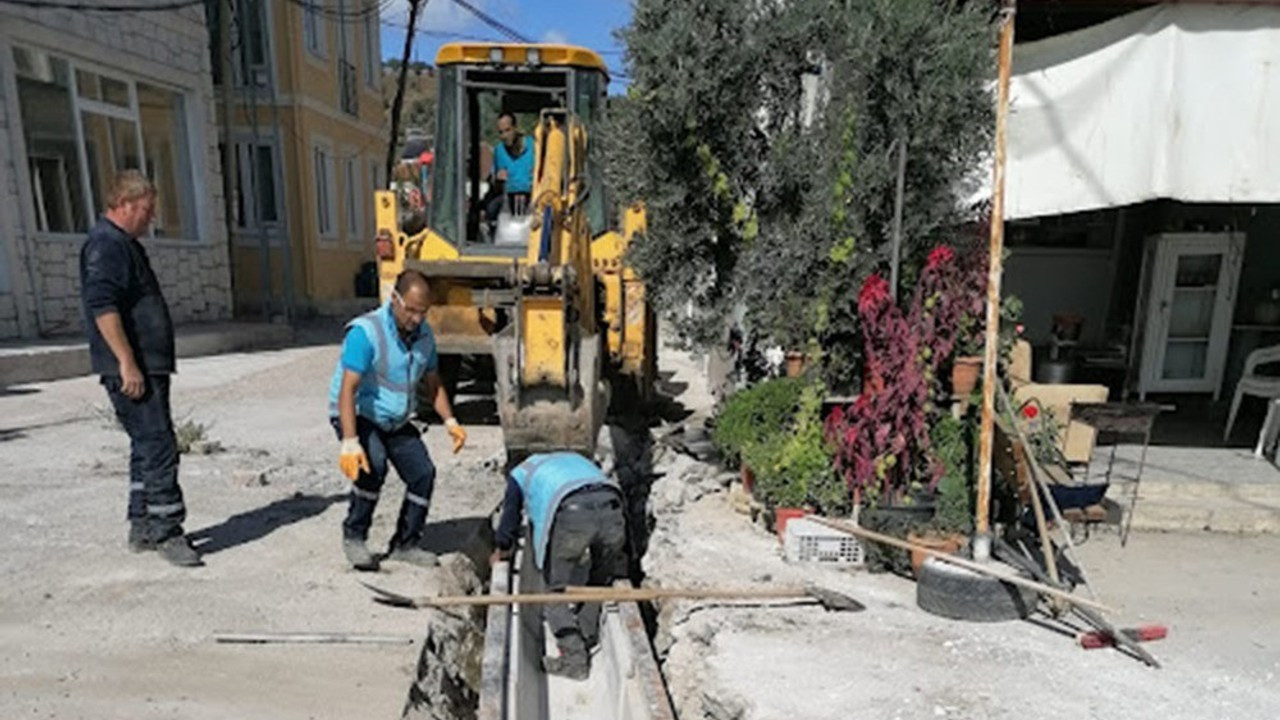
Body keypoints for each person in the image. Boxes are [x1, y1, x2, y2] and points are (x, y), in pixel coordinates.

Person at [79, 170, 201, 567]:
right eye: (146, 211)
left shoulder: (123, 244)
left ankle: (142, 524)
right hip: (135, 369)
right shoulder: (106, 246)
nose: (151, 220)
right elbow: (103, 307)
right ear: (126, 204)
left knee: (144, 446)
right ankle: (167, 531)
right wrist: (127, 363)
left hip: (147, 366)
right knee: (159, 446)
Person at [328, 269, 467, 571]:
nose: (416, 318)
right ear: (395, 299)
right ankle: (354, 536)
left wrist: (451, 421)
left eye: (423, 312)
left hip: (396, 418)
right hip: (359, 414)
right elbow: (347, 390)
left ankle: (405, 544)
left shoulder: (424, 336)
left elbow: (434, 383)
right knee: (372, 465)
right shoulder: (366, 333)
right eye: (411, 311)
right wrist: (350, 441)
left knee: (423, 473)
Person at [492, 452, 629, 680]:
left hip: (573, 517)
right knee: (598, 582)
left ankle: (574, 660)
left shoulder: (520, 474)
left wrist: (501, 549)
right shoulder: (574, 460)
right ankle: (585, 635)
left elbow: (510, 519)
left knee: (555, 591)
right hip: (613, 511)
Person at [485, 112, 536, 233]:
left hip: (532, 197)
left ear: (515, 128)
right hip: (508, 199)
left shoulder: (534, 145)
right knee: (491, 209)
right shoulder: (499, 150)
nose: (504, 136)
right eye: (501, 132)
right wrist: (497, 178)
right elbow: (494, 182)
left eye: (507, 130)